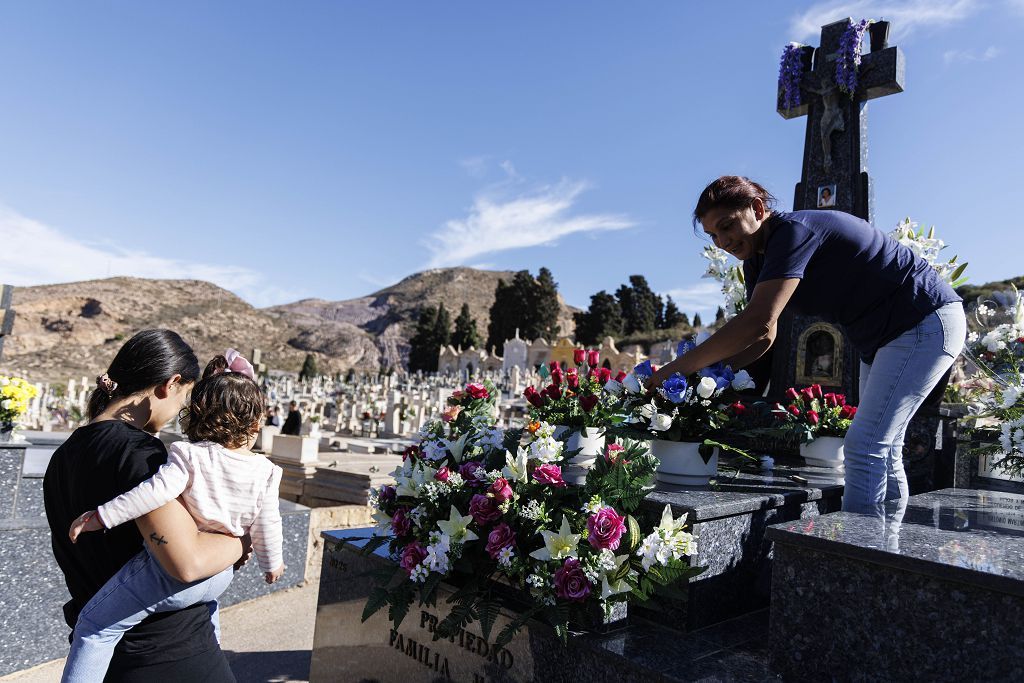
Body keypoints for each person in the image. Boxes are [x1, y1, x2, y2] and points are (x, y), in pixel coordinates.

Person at [648, 176, 966, 516]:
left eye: (727, 226)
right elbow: (765, 337)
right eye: (713, 235)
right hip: (884, 336)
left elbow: (757, 321)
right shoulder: (757, 259)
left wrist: (672, 371)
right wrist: (711, 380)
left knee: (864, 446)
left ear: (757, 209)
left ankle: (854, 555)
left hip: (921, 320)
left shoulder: (792, 232)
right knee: (882, 449)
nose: (723, 241)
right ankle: (887, 546)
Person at [62, 349, 285, 682]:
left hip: (168, 576)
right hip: (219, 576)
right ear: (255, 424)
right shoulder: (266, 471)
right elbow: (268, 522)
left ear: (196, 416)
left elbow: (153, 493)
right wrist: (272, 564)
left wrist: (102, 516)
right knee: (208, 615)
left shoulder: (188, 455)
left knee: (94, 628)